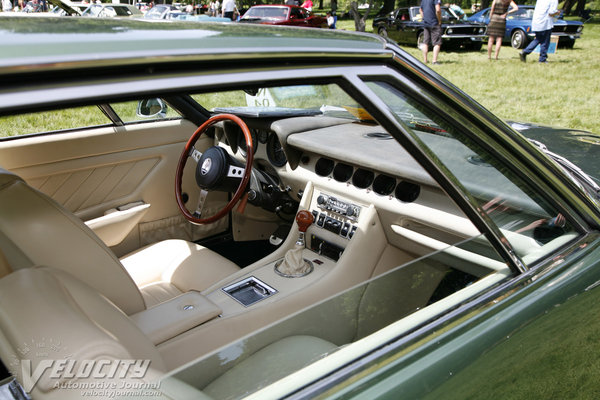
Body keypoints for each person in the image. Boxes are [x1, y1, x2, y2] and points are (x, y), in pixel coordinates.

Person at [420, 0, 442, 65]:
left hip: (426, 23)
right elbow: (438, 10)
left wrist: (424, 18)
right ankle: (434, 61)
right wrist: (439, 20)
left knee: (425, 42)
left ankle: (425, 60)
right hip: (434, 23)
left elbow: (420, 10)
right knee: (437, 43)